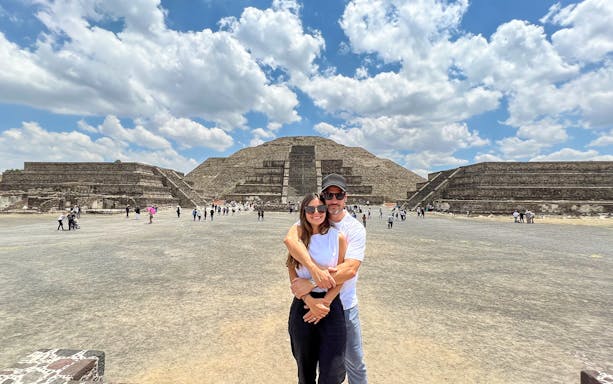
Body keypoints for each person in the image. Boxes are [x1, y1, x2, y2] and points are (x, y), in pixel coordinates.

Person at [284, 173, 368, 384]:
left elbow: (349, 270)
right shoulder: (312, 218)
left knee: (352, 363)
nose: (333, 200)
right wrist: (313, 276)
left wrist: (313, 284)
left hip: (343, 305)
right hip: (306, 305)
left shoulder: (353, 229)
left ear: (345, 197)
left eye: (338, 195)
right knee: (310, 363)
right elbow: (290, 243)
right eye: (328, 195)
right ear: (322, 196)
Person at [287, 193, 347, 384]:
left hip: (330, 305)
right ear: (303, 212)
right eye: (310, 209)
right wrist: (309, 300)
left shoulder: (338, 238)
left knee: (333, 371)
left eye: (321, 209)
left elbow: (341, 276)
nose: (316, 213)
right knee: (305, 369)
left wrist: (324, 303)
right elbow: (292, 271)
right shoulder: (298, 238)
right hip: (303, 306)